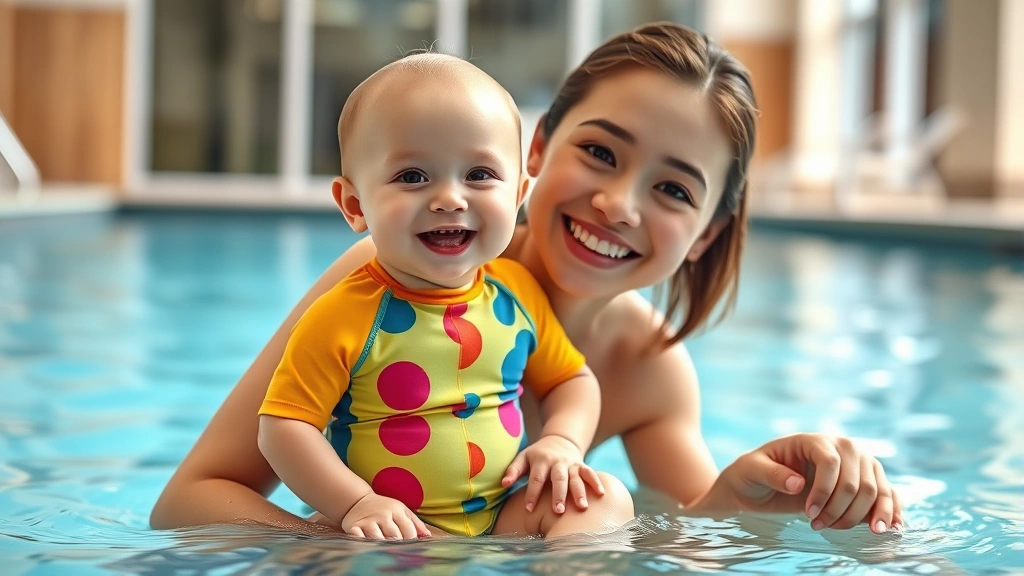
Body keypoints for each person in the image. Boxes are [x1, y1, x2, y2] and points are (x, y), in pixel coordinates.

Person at [152, 22, 903, 538]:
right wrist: (338, 539)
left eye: (674, 191)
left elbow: (679, 538)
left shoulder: (652, 373)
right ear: (536, 150)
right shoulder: (390, 278)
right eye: (602, 153)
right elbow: (188, 504)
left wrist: (751, 493)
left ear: (705, 233)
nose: (618, 204)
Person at [257, 53, 633, 540]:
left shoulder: (516, 293)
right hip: (391, 532)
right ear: (355, 205)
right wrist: (356, 503)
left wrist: (562, 441)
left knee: (605, 498)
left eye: (479, 175)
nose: (450, 199)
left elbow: (572, 380)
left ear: (518, 194)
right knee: (322, 545)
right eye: (412, 177)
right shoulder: (345, 314)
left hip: (505, 520)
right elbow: (283, 428)